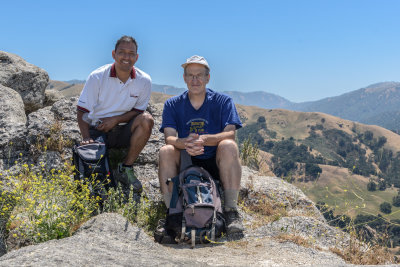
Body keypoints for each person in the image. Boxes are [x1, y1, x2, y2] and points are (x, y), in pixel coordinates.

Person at [158, 55, 244, 235]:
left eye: (199, 75)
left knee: (229, 146)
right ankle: (172, 212)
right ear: (184, 78)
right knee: (166, 151)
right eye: (190, 75)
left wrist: (205, 139)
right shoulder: (172, 104)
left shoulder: (223, 102)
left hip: (214, 159)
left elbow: (230, 133)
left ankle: (230, 211)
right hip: (187, 159)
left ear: (208, 78)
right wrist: (185, 143)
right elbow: (170, 138)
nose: (195, 80)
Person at [76, 35, 154, 192]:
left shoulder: (144, 80)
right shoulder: (97, 76)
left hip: (126, 131)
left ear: (136, 57)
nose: (126, 57)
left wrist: (116, 120)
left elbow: (138, 111)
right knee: (97, 182)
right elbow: (82, 110)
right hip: (99, 129)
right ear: (114, 54)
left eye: (131, 53)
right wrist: (86, 138)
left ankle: (126, 167)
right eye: (122, 52)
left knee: (147, 119)